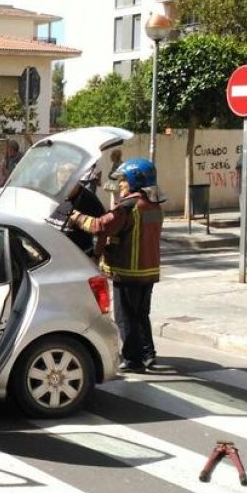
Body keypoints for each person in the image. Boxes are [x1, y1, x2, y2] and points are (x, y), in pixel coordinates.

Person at [66, 158, 165, 373]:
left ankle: (132, 360)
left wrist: (77, 217)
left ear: (134, 181)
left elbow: (100, 226)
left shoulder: (128, 207)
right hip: (148, 272)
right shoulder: (153, 205)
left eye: (123, 180)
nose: (120, 185)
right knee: (141, 315)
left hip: (128, 272)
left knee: (125, 318)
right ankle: (149, 355)